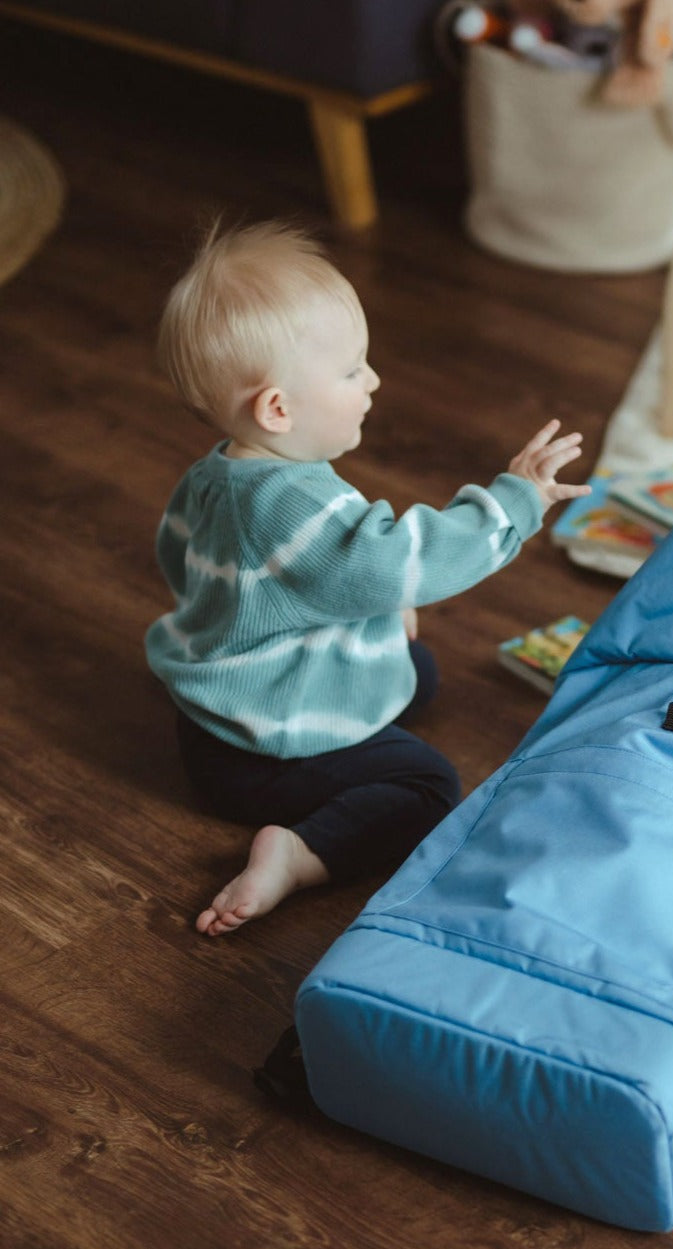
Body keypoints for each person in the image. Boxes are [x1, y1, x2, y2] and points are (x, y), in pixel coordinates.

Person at [146, 221, 590, 937]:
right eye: (353, 370)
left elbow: (185, 562)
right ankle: (296, 852)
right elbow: (394, 561)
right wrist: (514, 501)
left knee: (417, 670)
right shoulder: (295, 502)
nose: (373, 380)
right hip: (262, 753)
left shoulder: (217, 472)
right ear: (278, 409)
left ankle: (311, 736)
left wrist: (368, 605)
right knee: (426, 785)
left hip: (217, 716)